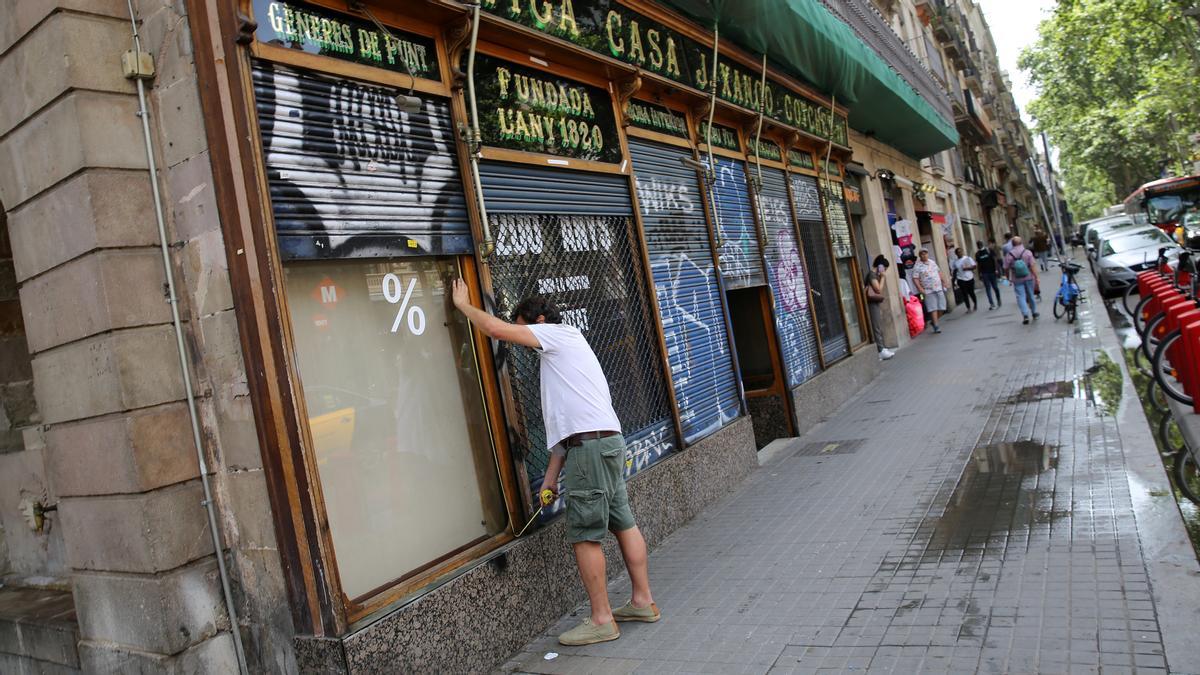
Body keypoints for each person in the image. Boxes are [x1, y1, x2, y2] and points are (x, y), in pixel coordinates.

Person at [450, 281, 659, 645]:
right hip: (605, 442)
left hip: (590, 451)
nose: (523, 340)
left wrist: (464, 306)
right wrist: (549, 480)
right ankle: (643, 601)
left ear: (540, 321)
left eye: (525, 328)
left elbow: (497, 329)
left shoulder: (557, 335)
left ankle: (601, 619)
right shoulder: (566, 354)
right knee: (623, 522)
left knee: (583, 534)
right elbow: (568, 433)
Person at [863, 255, 896, 361]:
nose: (884, 271)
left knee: (878, 325)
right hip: (872, 303)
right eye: (884, 269)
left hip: (874, 302)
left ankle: (882, 348)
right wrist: (883, 277)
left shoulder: (873, 274)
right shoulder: (872, 275)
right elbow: (878, 289)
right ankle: (880, 350)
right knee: (876, 325)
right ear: (880, 267)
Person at [1003, 236, 1040, 324]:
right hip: (1029, 277)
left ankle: (1025, 315)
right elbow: (1032, 266)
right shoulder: (1027, 252)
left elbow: (1006, 268)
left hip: (1017, 278)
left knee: (1020, 297)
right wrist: (1037, 277)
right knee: (1030, 295)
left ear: (1012, 244)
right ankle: (1034, 313)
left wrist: (1008, 278)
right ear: (1021, 243)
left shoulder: (1009, 254)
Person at [911, 248, 949, 334]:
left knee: (942, 307)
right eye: (922, 254)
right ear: (920, 255)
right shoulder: (917, 266)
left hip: (938, 288)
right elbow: (915, 278)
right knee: (933, 308)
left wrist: (944, 282)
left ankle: (934, 321)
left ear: (928, 254)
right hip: (928, 290)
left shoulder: (932, 262)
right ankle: (936, 325)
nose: (924, 255)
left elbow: (939, 273)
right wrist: (920, 289)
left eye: (925, 253)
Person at [975, 239, 1002, 310]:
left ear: (982, 244)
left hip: (992, 271)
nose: (979, 245)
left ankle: (998, 299)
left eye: (980, 244)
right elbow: (978, 265)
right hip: (984, 273)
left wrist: (996, 269)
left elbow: (995, 260)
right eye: (978, 245)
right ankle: (991, 303)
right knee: (988, 288)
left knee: (995, 287)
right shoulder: (977, 254)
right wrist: (979, 274)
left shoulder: (989, 250)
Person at [952, 247, 978, 312]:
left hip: (969, 278)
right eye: (958, 252)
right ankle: (968, 307)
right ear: (956, 254)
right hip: (961, 279)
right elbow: (955, 270)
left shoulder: (968, 258)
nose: (959, 253)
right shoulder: (955, 262)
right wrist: (954, 280)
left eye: (960, 252)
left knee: (971, 292)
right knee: (964, 294)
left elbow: (974, 266)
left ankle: (975, 303)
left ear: (963, 252)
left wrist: (967, 268)